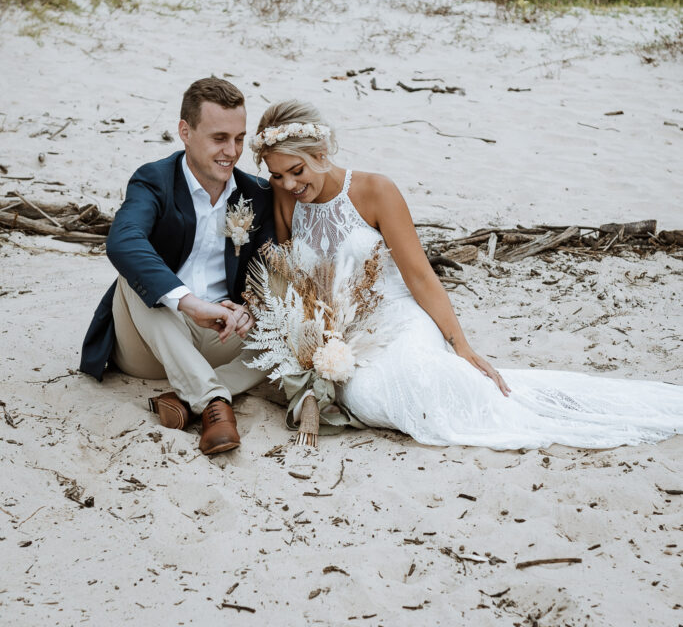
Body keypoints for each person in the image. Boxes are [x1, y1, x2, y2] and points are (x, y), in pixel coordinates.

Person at [251, 100, 683, 449]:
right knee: (366, 397)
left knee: (425, 379)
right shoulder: (286, 200)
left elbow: (420, 276)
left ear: (321, 156)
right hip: (343, 335)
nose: (289, 184)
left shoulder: (374, 190)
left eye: (297, 171)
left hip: (397, 319)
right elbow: (294, 279)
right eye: (277, 175)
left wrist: (462, 345)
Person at [80, 77, 275, 456]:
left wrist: (252, 307)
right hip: (150, 342)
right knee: (135, 277)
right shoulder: (154, 180)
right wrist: (188, 302)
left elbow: (272, 265)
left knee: (289, 326)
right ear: (185, 131)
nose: (231, 151)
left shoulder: (257, 194)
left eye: (239, 138)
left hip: (222, 336)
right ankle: (216, 405)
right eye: (219, 138)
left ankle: (187, 397)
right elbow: (123, 241)